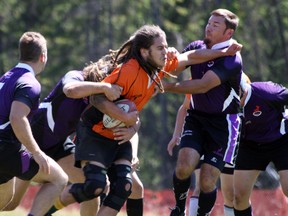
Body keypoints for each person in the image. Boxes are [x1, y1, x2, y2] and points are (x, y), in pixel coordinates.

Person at [49, 24, 241, 216]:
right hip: (95, 132)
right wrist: (125, 117)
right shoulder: (128, 71)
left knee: (125, 187)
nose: (166, 52)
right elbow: (97, 98)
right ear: (144, 52)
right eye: (160, 48)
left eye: (166, 47)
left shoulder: (158, 66)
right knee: (94, 186)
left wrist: (223, 53)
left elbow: (190, 57)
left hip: (120, 136)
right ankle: (45, 211)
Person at [2, 55, 127, 216]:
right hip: (31, 142)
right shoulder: (75, 76)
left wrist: (130, 129)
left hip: (58, 145)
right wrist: (104, 87)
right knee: (11, 203)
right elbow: (70, 90)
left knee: (94, 185)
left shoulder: (100, 100)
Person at [164, 8, 243, 216]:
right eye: (209, 22)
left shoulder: (232, 59)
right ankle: (178, 209)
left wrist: (167, 87)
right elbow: (175, 68)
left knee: (208, 180)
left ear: (228, 33)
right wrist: (171, 57)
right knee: (183, 166)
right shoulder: (196, 47)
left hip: (224, 124)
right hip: (197, 118)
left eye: (215, 25)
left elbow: (202, 86)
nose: (208, 27)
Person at [0, 32, 69, 216]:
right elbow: (17, 118)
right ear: (42, 56)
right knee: (59, 179)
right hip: (7, 150)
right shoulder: (30, 83)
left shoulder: (5, 77)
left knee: (6, 201)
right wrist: (37, 153)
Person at [167, 95, 235, 216]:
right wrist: (176, 134)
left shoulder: (240, 81)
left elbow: (244, 113)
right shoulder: (197, 78)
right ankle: (180, 210)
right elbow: (184, 107)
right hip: (199, 131)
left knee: (231, 194)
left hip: (225, 135)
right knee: (199, 183)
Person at [233, 80, 288, 216]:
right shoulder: (222, 102)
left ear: (242, 90)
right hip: (250, 145)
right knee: (239, 198)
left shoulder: (267, 92)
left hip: (281, 140)